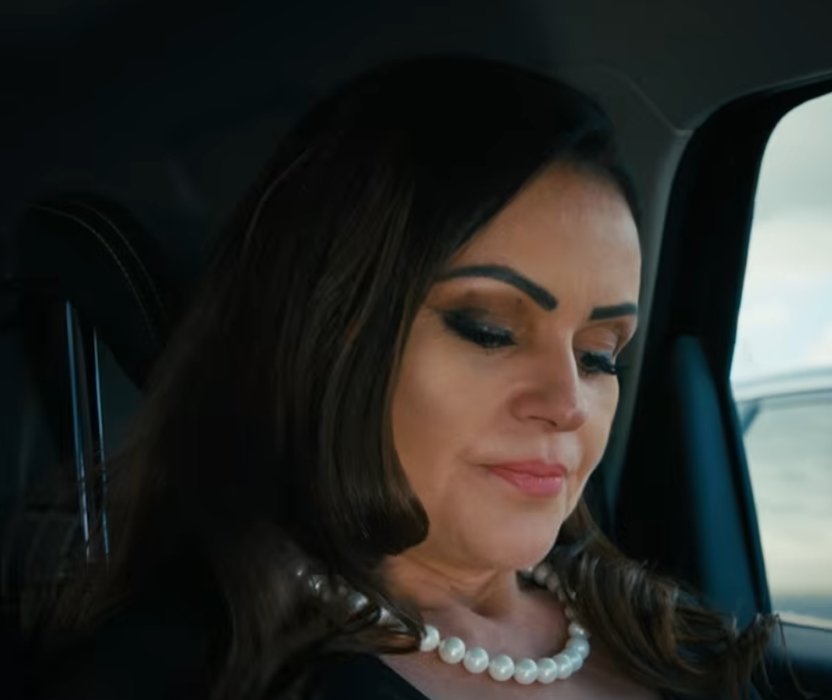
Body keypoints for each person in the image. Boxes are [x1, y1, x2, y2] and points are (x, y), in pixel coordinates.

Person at [26, 57, 778, 700]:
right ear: (327, 337)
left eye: (598, 355)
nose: (568, 404)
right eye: (489, 330)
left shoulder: (676, 635)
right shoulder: (176, 672)